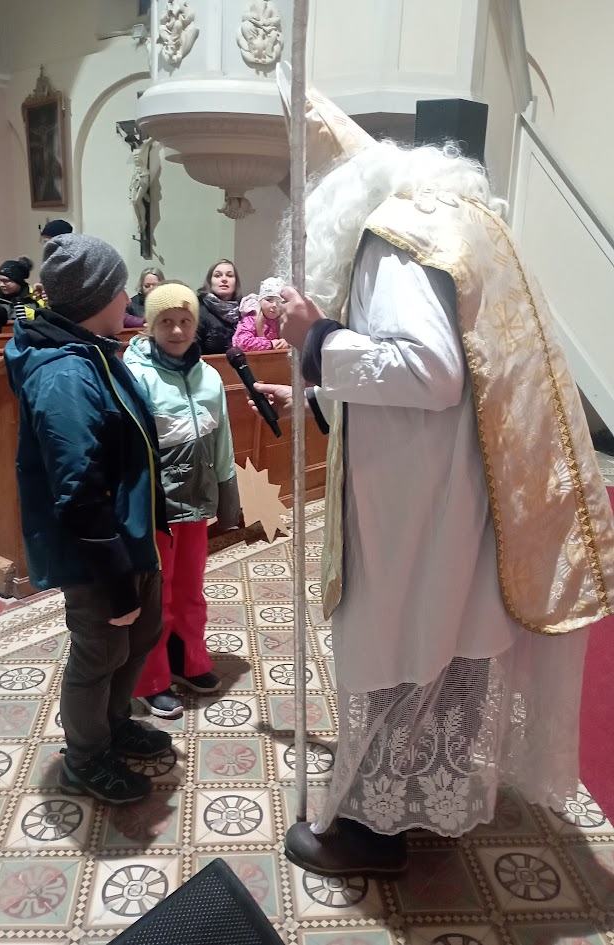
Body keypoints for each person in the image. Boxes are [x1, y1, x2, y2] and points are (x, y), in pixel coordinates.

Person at [258, 80, 614, 877]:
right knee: (442, 640)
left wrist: (315, 338)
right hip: (457, 486)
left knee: (400, 642)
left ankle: (373, 831)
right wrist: (316, 384)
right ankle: (429, 800)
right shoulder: (464, 222)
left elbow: (429, 369)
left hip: (418, 500)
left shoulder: (393, 236)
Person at [4, 233, 171, 804]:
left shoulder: (94, 351)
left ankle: (114, 723)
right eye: (121, 287)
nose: (128, 297)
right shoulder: (64, 374)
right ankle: (85, 757)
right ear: (99, 296)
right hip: (98, 551)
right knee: (99, 652)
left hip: (129, 535)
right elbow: (76, 491)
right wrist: (116, 578)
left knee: (139, 636)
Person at [124, 282, 240, 718]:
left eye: (185, 321)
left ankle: (189, 659)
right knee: (158, 596)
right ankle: (151, 678)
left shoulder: (209, 376)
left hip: (196, 501)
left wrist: (228, 494)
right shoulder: (137, 375)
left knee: (191, 589)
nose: (177, 330)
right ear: (151, 326)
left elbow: (222, 440)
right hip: (157, 507)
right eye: (167, 322)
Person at [196, 259, 242, 354]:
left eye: (229, 275)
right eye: (218, 275)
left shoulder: (244, 310)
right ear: (210, 282)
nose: (224, 279)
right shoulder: (198, 309)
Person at [232, 277, 289, 352]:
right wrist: (270, 344)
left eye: (279, 301)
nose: (274, 305)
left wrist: (287, 343)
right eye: (269, 300)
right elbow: (241, 343)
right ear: (260, 301)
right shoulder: (251, 319)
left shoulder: (285, 321)